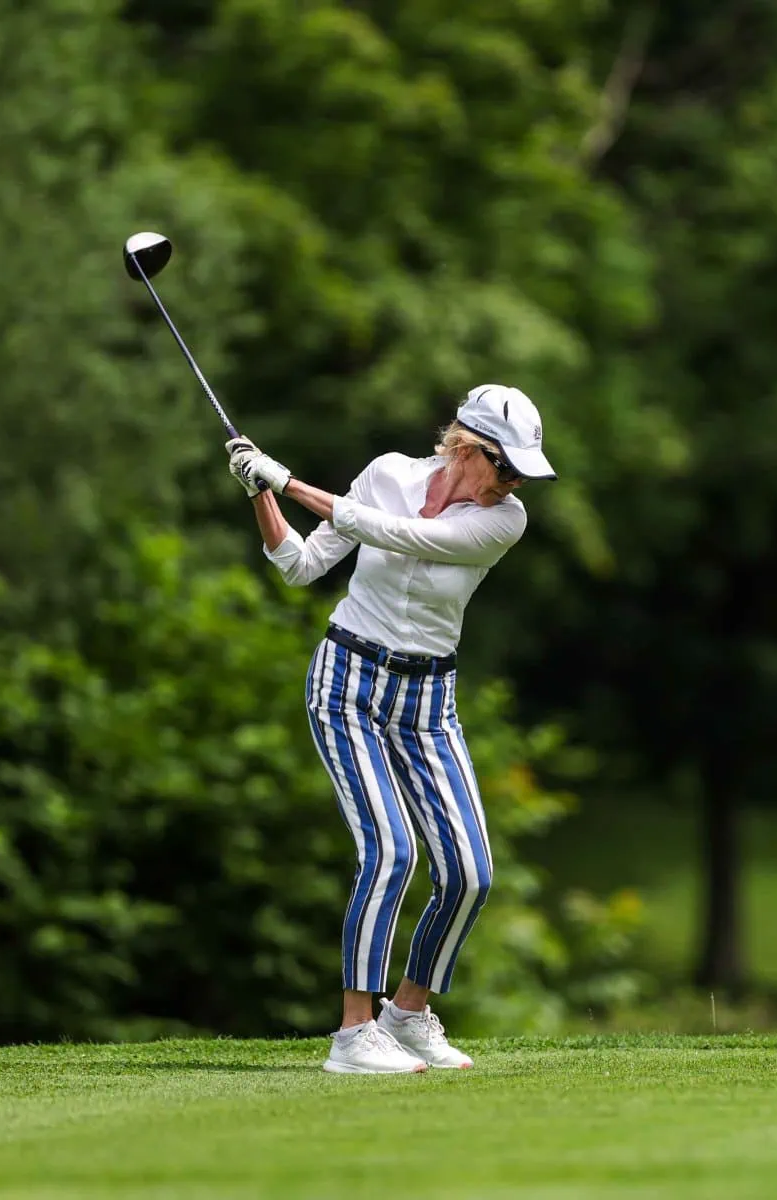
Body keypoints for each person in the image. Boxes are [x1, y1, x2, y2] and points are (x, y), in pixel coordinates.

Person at [227, 384, 557, 1075]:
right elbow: (300, 566)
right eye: (506, 466)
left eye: (521, 472)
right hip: (347, 685)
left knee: (470, 873)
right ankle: (353, 1035)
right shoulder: (386, 475)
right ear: (467, 447)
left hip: (427, 702)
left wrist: (286, 479)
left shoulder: (505, 521)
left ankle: (406, 1014)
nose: (513, 482)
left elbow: (405, 536)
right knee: (391, 852)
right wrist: (259, 489)